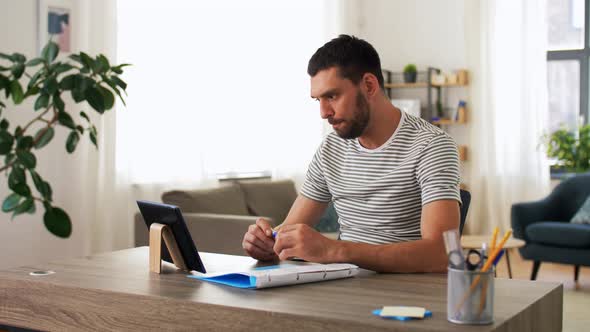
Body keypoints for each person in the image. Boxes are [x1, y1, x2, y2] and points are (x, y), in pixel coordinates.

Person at [242, 35, 461, 273]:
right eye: (318, 100)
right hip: (344, 286)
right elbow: (289, 230)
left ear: (369, 85)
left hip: (406, 292)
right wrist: (267, 243)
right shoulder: (330, 149)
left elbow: (440, 253)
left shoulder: (432, 146)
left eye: (332, 96)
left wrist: (334, 250)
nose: (324, 113)